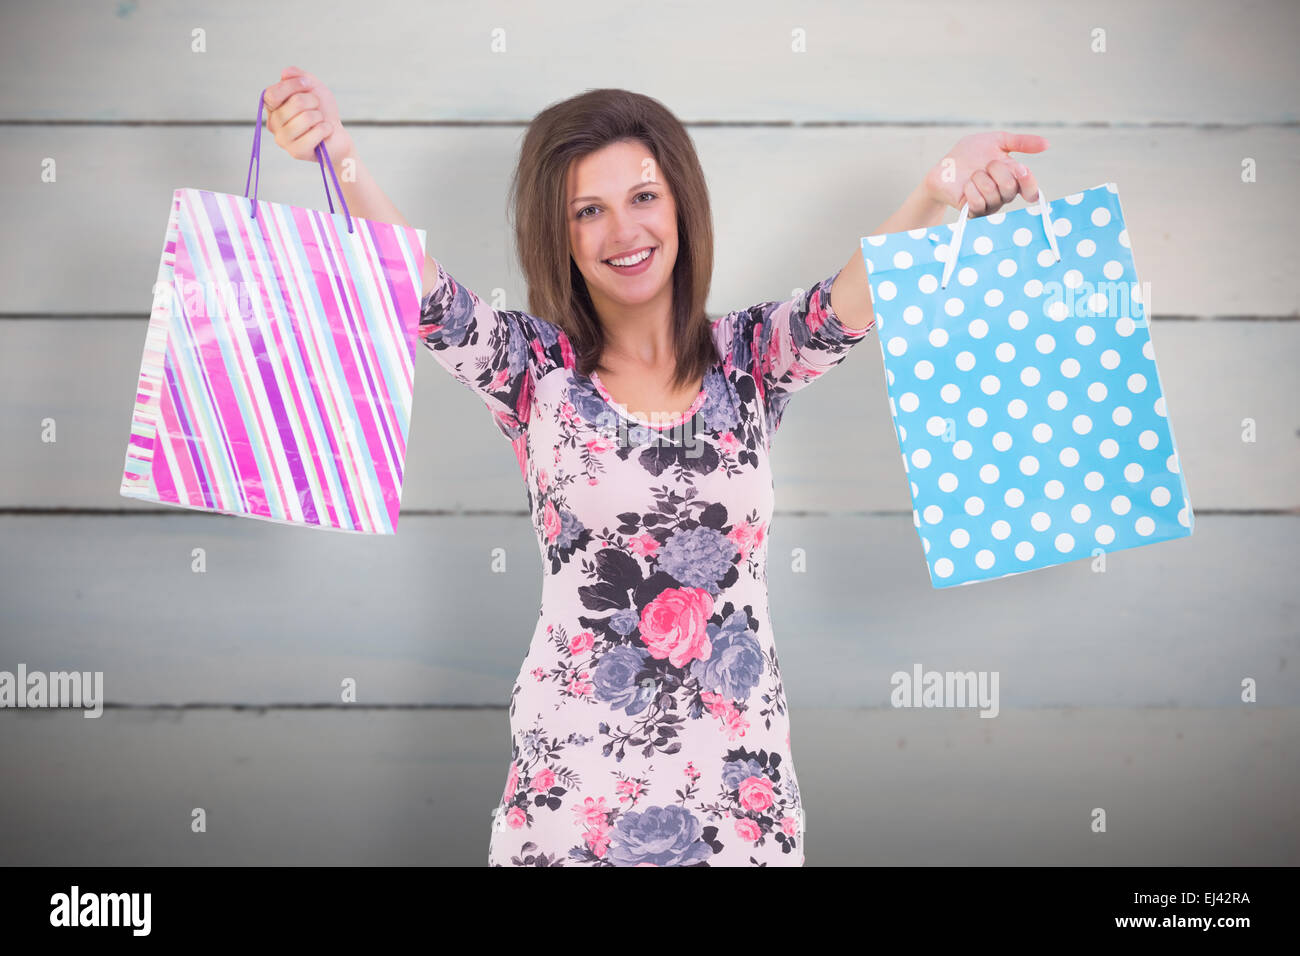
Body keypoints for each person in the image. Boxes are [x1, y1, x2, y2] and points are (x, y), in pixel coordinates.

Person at [263, 67, 1048, 866]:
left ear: (679, 203)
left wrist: (941, 185)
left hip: (739, 791)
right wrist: (341, 152)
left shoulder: (750, 358)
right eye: (587, 211)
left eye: (642, 197)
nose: (622, 231)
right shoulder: (536, 371)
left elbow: (855, 297)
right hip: (575, 785)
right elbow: (420, 293)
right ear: (559, 234)